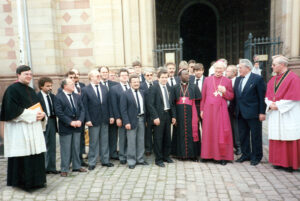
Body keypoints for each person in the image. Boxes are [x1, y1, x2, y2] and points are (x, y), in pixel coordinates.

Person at [0, 65, 47, 190]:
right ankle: (23, 182)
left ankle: (38, 181)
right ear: (18, 75)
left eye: (31, 74)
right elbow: (11, 110)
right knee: (23, 155)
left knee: (35, 155)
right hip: (20, 130)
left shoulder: (31, 90)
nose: (29, 76)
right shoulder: (12, 90)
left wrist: (42, 115)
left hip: (33, 129)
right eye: (26, 74)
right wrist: (33, 114)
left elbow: (39, 107)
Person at [265, 55, 300, 171]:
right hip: (276, 113)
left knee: (288, 136)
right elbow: (267, 96)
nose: (272, 67)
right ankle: (278, 161)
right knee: (277, 135)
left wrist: (278, 105)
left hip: (288, 113)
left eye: (274, 65)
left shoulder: (294, 78)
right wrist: (270, 104)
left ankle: (290, 163)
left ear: (282, 65)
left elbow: (294, 98)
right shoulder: (273, 79)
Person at [200, 61, 234, 165]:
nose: (218, 70)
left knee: (221, 133)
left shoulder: (227, 81)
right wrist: (202, 110)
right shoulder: (207, 80)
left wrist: (224, 91)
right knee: (208, 132)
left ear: (224, 70)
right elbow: (203, 96)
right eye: (217, 68)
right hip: (209, 110)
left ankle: (221, 156)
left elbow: (231, 96)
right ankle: (207, 155)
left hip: (221, 110)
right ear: (214, 69)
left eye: (220, 68)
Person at [234, 59, 266, 166]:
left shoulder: (257, 79)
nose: (239, 70)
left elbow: (262, 97)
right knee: (243, 135)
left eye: (240, 68)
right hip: (240, 112)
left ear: (248, 68)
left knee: (255, 136)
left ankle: (256, 156)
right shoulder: (238, 80)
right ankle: (245, 154)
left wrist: (262, 112)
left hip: (253, 113)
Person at [81, 70, 114, 170]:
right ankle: (92, 162)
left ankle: (105, 160)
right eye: (97, 76)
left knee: (105, 141)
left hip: (104, 118)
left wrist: (111, 116)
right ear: (91, 77)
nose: (99, 77)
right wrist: (87, 119)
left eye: (99, 76)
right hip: (93, 120)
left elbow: (109, 104)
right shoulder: (86, 89)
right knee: (93, 142)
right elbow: (84, 106)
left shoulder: (104, 88)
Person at [54, 78, 87, 177]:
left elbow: (82, 110)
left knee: (76, 147)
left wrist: (80, 120)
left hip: (77, 126)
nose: (73, 85)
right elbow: (59, 113)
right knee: (66, 148)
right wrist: (70, 122)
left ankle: (77, 166)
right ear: (65, 86)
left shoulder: (77, 96)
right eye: (71, 84)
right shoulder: (58, 97)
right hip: (66, 127)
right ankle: (64, 168)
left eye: (73, 83)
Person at [148, 69, 176, 167]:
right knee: (158, 138)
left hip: (167, 115)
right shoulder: (153, 88)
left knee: (167, 137)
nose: (164, 79)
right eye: (162, 77)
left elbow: (172, 103)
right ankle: (158, 159)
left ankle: (166, 156)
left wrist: (173, 116)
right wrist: (155, 117)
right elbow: (150, 104)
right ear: (158, 78)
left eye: (166, 77)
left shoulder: (169, 87)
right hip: (158, 116)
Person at [171, 69, 201, 160]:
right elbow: (172, 103)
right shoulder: (175, 87)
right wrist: (174, 116)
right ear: (180, 76)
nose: (187, 76)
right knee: (180, 134)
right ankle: (181, 154)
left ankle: (193, 155)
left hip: (192, 115)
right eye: (185, 74)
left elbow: (198, 102)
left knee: (192, 133)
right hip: (179, 116)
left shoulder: (194, 87)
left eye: (188, 74)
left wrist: (198, 115)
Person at [120, 75, 148, 169]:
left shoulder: (142, 92)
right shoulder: (125, 94)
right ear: (130, 83)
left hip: (141, 119)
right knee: (131, 141)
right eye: (134, 82)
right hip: (131, 121)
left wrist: (146, 120)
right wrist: (126, 122)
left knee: (141, 140)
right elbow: (123, 110)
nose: (136, 84)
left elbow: (145, 107)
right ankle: (131, 161)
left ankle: (140, 159)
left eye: (137, 82)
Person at [37, 77, 59, 174]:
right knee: (43, 144)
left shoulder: (52, 96)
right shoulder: (37, 97)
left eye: (51, 86)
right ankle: (43, 168)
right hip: (42, 122)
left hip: (52, 121)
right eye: (47, 86)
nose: (50, 88)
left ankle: (51, 167)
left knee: (52, 145)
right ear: (41, 87)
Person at [110, 69, 130, 164]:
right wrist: (117, 117)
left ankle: (129, 154)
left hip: (131, 117)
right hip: (121, 118)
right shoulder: (114, 89)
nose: (124, 77)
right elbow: (114, 104)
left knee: (130, 137)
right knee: (122, 138)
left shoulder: (132, 86)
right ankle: (122, 157)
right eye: (122, 75)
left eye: (126, 75)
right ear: (119, 77)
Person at [98, 66, 118, 160]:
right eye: (103, 72)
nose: (104, 74)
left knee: (113, 135)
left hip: (113, 113)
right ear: (99, 73)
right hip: (101, 115)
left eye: (106, 72)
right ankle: (104, 154)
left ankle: (113, 153)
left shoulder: (114, 84)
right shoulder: (97, 84)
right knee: (103, 137)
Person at [225, 65, 241, 155]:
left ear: (234, 72)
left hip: (234, 109)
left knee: (236, 129)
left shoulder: (238, 81)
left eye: (228, 71)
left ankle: (238, 147)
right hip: (226, 108)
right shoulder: (226, 81)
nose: (226, 73)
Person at [140, 68, 155, 156]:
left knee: (156, 132)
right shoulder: (141, 86)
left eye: (151, 75)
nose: (149, 77)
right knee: (148, 132)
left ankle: (155, 148)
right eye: (147, 75)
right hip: (147, 113)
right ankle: (148, 149)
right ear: (144, 76)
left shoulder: (156, 84)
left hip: (155, 113)